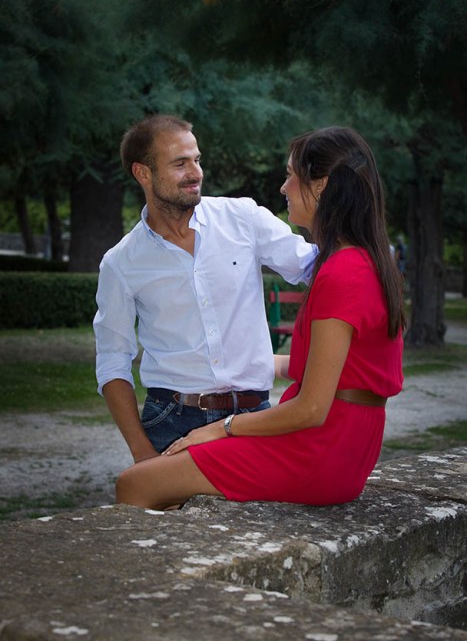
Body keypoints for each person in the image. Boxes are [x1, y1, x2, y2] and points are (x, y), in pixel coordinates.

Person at [115, 125, 406, 510]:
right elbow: (340, 370)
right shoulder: (363, 262)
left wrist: (223, 428)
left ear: (321, 186)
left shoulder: (342, 273)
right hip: (345, 448)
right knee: (159, 483)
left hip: (318, 449)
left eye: (290, 175)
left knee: (134, 484)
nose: (283, 187)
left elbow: (311, 409)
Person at [93, 115, 318, 463]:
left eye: (196, 160)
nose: (195, 172)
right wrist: (141, 451)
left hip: (254, 415)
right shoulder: (120, 262)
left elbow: (315, 267)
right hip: (171, 421)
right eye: (180, 163)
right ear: (143, 173)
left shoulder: (243, 218)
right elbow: (112, 361)